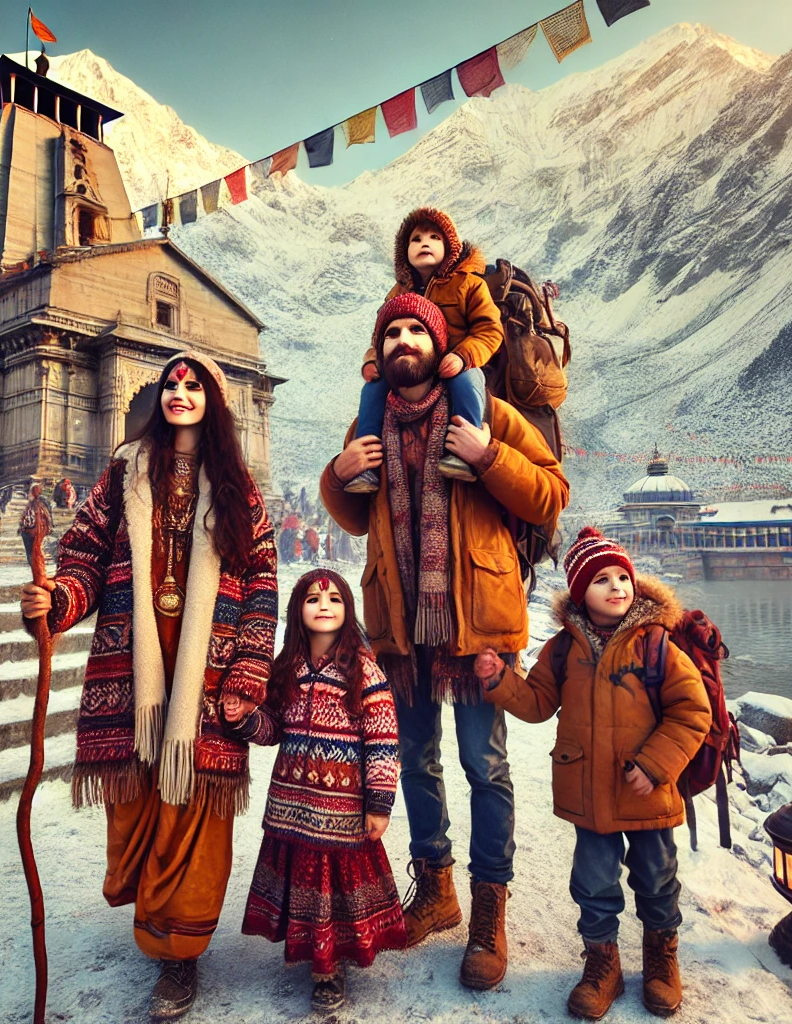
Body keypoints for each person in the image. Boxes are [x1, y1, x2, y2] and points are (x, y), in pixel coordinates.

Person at [19, 351, 278, 1021]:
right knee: (140, 804)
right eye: (172, 384)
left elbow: (263, 584)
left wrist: (249, 670)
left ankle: (179, 953)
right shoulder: (125, 470)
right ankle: (160, 924)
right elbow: (85, 554)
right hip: (133, 673)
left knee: (192, 814)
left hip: (209, 678)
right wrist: (58, 600)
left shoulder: (237, 486)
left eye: (194, 386)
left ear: (213, 403)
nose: (181, 393)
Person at [320, 293, 569, 990]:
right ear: (381, 350)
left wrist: (489, 458)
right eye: (391, 332)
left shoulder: (484, 412)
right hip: (401, 632)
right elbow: (353, 515)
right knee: (415, 762)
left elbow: (551, 492)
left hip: (477, 627)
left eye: (414, 331)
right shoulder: (365, 421)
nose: (403, 340)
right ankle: (437, 887)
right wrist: (336, 476)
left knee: (484, 766)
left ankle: (489, 906)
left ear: (437, 345)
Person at [475, 527, 712, 1020]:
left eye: (622, 576)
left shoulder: (657, 646)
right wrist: (500, 682)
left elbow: (692, 711)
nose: (617, 586)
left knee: (657, 879)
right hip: (590, 796)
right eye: (601, 579)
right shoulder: (562, 650)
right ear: (581, 591)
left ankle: (660, 959)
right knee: (593, 881)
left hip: (647, 794)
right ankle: (602, 963)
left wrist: (655, 764)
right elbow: (538, 703)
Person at [226, 570, 406, 1013]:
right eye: (312, 598)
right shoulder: (286, 668)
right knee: (304, 884)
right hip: (293, 806)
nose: (323, 605)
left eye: (334, 599)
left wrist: (379, 802)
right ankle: (311, 950)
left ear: (347, 610)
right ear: (297, 611)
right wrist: (245, 717)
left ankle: (328, 968)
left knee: (333, 891)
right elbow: (273, 730)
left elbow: (383, 741)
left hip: (342, 810)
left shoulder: (364, 671)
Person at [344, 207, 503, 493]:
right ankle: (366, 462)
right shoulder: (397, 293)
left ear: (450, 247)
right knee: (372, 390)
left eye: (434, 237)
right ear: (404, 251)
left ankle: (464, 450)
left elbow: (489, 330)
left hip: (456, 363)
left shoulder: (469, 284)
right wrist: (374, 361)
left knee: (467, 382)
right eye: (416, 239)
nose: (424, 243)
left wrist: (463, 356)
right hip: (410, 367)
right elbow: (381, 336)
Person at [19, 484, 52, 566]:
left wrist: (22, 527)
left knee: (29, 545)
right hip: (41, 529)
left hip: (32, 530)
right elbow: (48, 517)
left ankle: (32, 561)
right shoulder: (44, 503)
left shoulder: (33, 504)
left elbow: (28, 520)